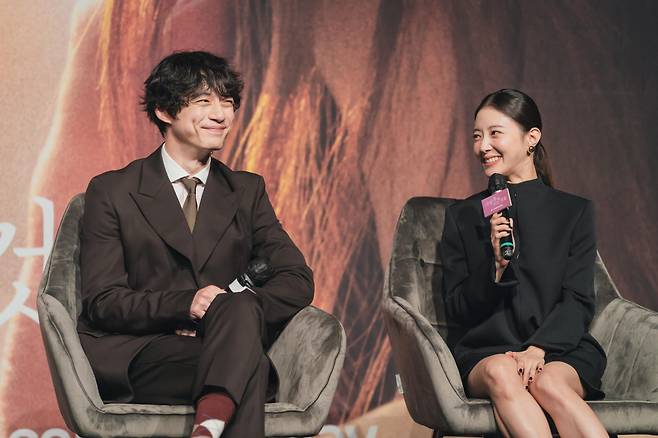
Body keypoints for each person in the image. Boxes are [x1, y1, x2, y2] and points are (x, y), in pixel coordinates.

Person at [76, 51, 314, 438]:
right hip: (141, 351)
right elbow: (103, 300)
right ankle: (214, 417)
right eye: (204, 101)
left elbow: (297, 279)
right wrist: (185, 305)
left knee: (238, 327)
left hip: (220, 345)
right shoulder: (113, 190)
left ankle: (209, 426)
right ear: (165, 112)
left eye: (228, 102)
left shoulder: (246, 190)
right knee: (250, 368)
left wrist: (225, 313)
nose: (221, 114)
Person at [440, 89, 608, 437]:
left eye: (494, 133)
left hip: (561, 349)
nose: (483, 145)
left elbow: (578, 299)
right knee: (503, 371)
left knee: (548, 383)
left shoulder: (573, 211)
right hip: (487, 351)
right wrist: (496, 269)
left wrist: (539, 348)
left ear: (531, 138)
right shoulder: (463, 215)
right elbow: (456, 308)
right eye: (476, 136)